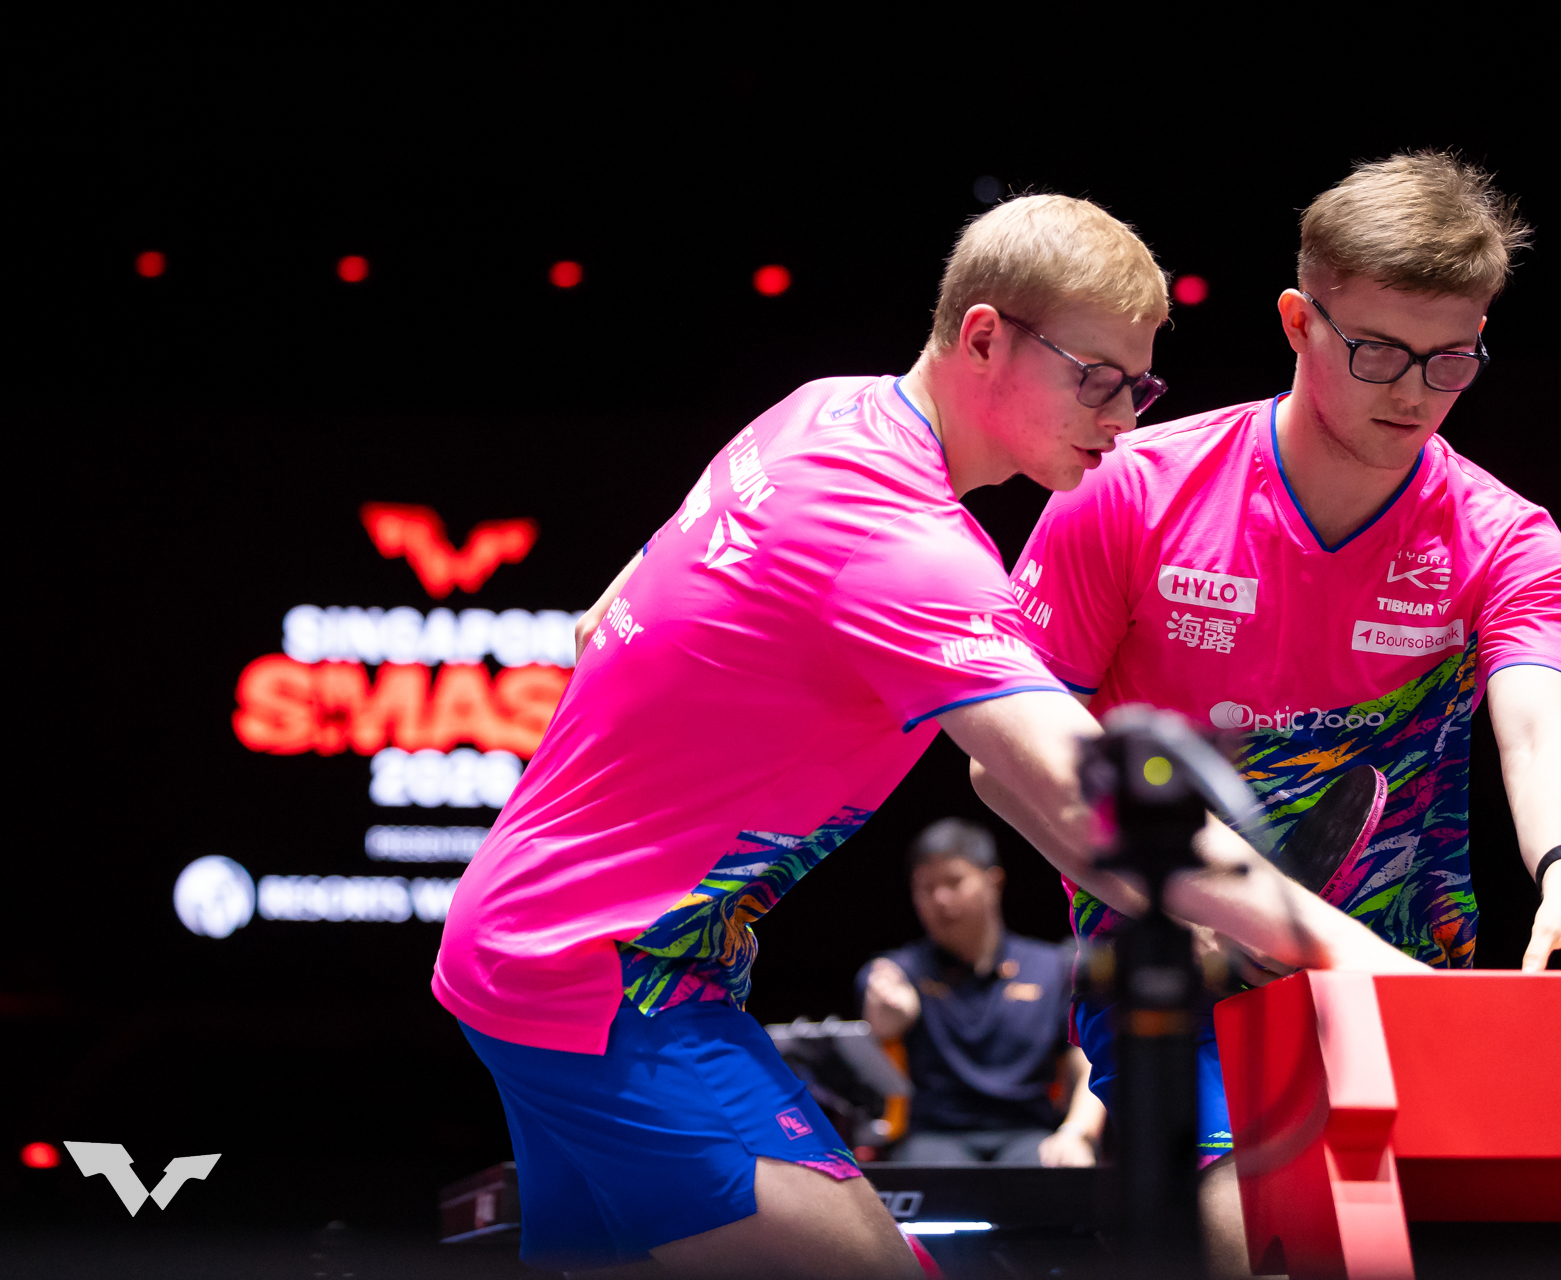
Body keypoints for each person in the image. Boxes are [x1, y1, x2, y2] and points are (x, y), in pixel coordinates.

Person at [431, 194, 1426, 1278]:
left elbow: (607, 609)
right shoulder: (906, 544)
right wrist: (1376, 963)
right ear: (985, 335)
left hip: (550, 941)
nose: (1123, 420)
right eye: (1095, 379)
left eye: (1139, 386)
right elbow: (1077, 782)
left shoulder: (819, 411)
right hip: (604, 973)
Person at [975, 153, 1561, 1276]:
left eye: (1453, 358)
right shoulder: (1127, 491)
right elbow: (1005, 764)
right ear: (1299, 320)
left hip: (1408, 978)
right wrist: (1162, 897)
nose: (1416, 390)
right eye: (1379, 350)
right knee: (1261, 1230)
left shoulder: (1506, 538)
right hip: (1179, 974)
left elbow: (1538, 722)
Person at [859, 818, 1103, 1167]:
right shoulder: (900, 971)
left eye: (954, 881)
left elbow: (1091, 1057)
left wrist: (1078, 1132)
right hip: (935, 1138)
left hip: (1029, 1135)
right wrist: (891, 1012)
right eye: (925, 888)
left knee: (1063, 1175)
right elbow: (880, 1019)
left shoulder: (1053, 967)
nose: (940, 899)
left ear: (994, 882)